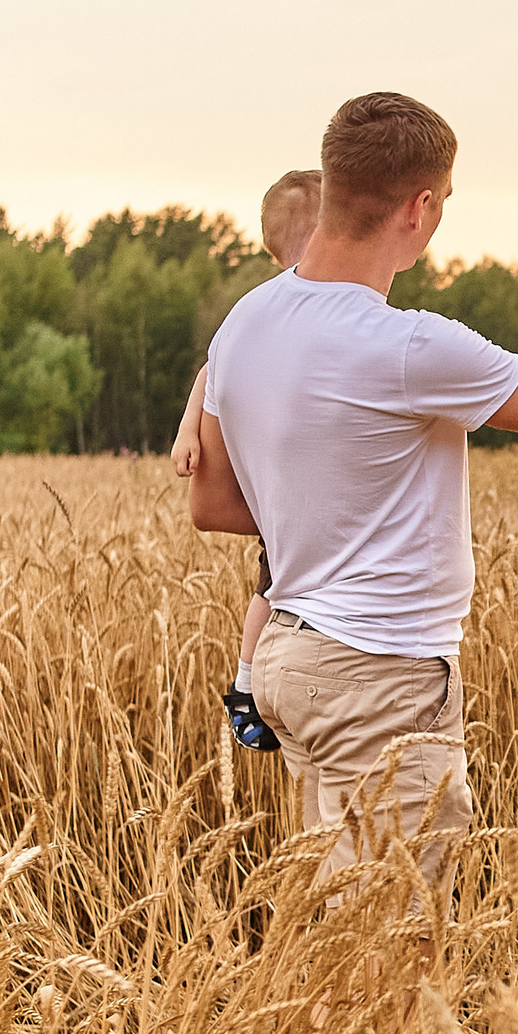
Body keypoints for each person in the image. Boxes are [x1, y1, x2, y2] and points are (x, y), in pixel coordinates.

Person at [189, 92, 518, 899]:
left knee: (339, 935)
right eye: (445, 201)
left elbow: (211, 503)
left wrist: (324, 509)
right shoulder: (409, 345)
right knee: (389, 957)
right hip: (379, 678)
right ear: (419, 208)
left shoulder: (245, 323)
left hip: (292, 661)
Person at [172, 167, 321, 752]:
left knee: (272, 584)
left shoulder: (295, 311)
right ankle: (244, 684)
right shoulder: (270, 312)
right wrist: (190, 431)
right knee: (269, 585)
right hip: (285, 492)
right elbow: (213, 371)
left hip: (299, 483)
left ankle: (250, 682)